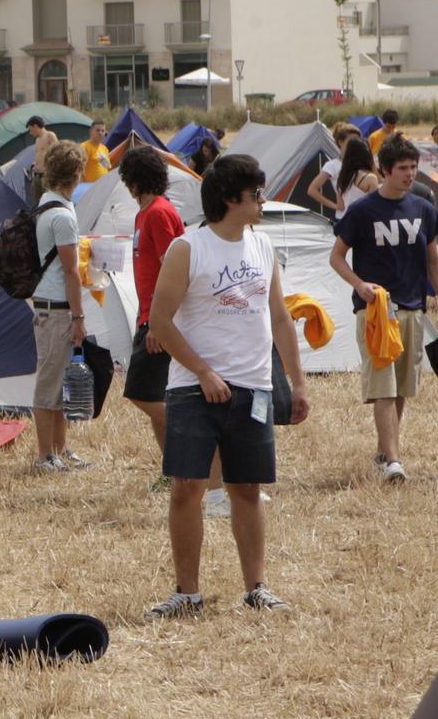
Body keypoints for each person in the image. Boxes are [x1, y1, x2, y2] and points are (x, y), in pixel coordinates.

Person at [145, 153, 311, 619]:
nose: (262, 200)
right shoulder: (188, 249)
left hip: (254, 387)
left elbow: (279, 317)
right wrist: (202, 371)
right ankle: (186, 592)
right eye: (255, 193)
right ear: (228, 198)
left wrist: (296, 384)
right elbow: (159, 320)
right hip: (193, 389)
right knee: (186, 487)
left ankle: (257, 586)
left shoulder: (262, 246)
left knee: (247, 488)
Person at [330, 136, 438, 483]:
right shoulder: (362, 211)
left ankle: (385, 451)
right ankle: (394, 461)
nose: (410, 174)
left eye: (413, 167)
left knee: (401, 387)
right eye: (403, 168)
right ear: (383, 170)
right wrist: (360, 286)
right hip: (375, 313)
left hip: (414, 310)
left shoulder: (423, 209)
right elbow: (336, 257)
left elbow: (435, 262)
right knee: (384, 388)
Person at [119, 148, 185, 459]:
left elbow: (172, 271)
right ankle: (171, 469)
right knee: (154, 393)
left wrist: (159, 322)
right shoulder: (143, 213)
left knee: (140, 393)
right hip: (147, 315)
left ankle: (192, 438)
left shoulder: (158, 213)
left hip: (158, 320)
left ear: (135, 180)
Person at [29, 142, 89, 473]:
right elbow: (70, 271)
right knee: (50, 382)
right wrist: (79, 317)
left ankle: (60, 450)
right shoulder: (63, 216)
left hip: (48, 305)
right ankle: (44, 455)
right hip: (56, 308)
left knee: (58, 381)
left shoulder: (46, 204)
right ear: (77, 173)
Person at [309, 124, 360, 215]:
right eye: (352, 141)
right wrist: (335, 206)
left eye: (358, 141)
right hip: (345, 216)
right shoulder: (332, 165)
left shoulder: (362, 163)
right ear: (341, 142)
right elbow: (312, 190)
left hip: (364, 216)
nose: (355, 144)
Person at [325, 138, 379, 221]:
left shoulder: (342, 176)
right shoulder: (370, 178)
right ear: (367, 155)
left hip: (341, 219)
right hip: (361, 221)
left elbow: (340, 205)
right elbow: (374, 206)